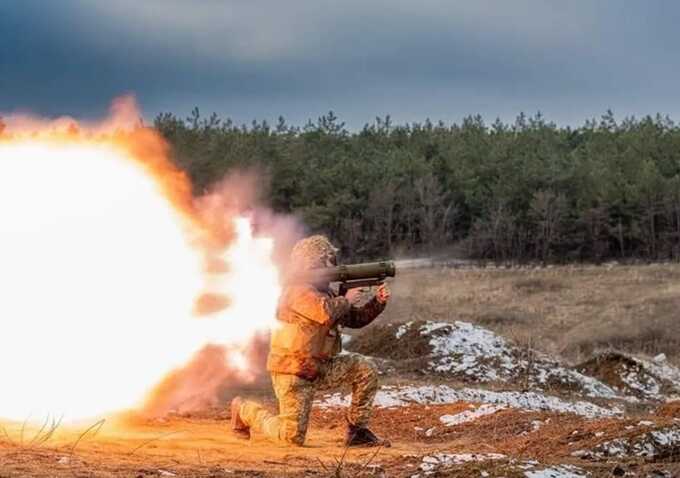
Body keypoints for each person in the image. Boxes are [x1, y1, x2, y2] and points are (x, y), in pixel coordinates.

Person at [230, 235, 391, 447]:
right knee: (292, 436)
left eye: (331, 261)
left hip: (321, 366)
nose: (331, 265)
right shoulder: (295, 291)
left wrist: (377, 302)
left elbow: (354, 319)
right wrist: (346, 299)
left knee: (364, 369)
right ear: (311, 263)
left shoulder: (325, 292)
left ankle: (357, 432)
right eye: (326, 261)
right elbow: (323, 312)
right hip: (293, 371)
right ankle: (244, 410)